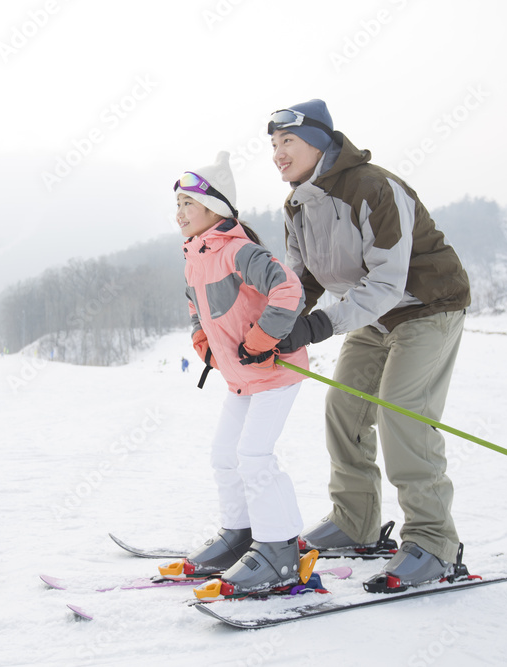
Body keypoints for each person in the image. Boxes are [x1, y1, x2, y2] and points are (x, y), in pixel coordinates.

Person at [267, 100, 471, 590]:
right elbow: (302, 278)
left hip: (426, 305)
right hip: (373, 314)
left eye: (287, 142)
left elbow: (386, 280)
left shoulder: (374, 188)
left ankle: (433, 542)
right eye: (272, 145)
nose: (277, 153)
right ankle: (355, 520)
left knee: (404, 412)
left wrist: (317, 327)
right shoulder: (298, 204)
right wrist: (273, 326)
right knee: (345, 407)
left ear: (317, 141)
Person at [164, 151, 310, 594]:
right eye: (177, 206)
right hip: (242, 378)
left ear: (215, 209)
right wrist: (202, 342)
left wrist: (263, 338)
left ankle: (280, 550)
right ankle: (240, 535)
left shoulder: (239, 250)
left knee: (254, 457)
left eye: (188, 204)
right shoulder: (195, 256)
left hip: (276, 370)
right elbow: (197, 308)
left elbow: (289, 288)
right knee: (225, 456)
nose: (179, 215)